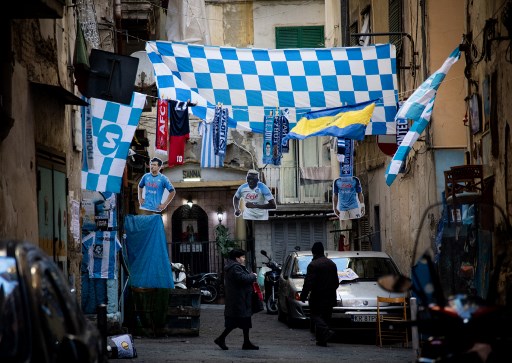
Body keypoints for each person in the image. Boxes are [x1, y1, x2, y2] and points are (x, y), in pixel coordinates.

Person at [214, 248, 259, 351]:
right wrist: (252, 276)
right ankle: (221, 339)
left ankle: (246, 342)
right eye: (242, 257)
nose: (244, 259)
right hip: (239, 300)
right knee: (235, 322)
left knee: (245, 321)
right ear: (237, 258)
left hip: (241, 298)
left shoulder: (235, 267)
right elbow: (242, 279)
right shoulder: (235, 268)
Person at [300, 242, 339, 347]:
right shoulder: (332, 264)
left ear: (314, 253)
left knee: (315, 315)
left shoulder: (313, 265)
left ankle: (326, 332)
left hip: (317, 296)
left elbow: (308, 282)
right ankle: (322, 341)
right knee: (326, 317)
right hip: (330, 296)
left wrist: (303, 295)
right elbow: (336, 282)